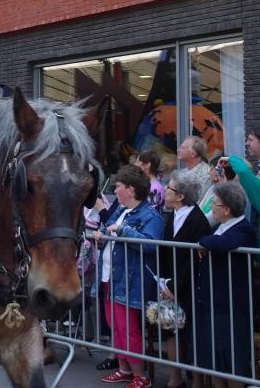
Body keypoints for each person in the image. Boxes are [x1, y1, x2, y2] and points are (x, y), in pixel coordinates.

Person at [92, 165, 164, 388]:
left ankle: (140, 376)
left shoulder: (150, 215)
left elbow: (150, 244)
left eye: (118, 186)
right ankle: (124, 369)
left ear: (131, 189)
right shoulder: (121, 210)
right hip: (110, 277)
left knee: (128, 328)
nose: (115, 190)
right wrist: (102, 236)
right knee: (115, 326)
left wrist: (121, 231)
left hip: (129, 280)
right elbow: (110, 229)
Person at [192, 182, 256, 388]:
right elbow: (208, 238)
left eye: (215, 203)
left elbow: (222, 243)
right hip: (211, 298)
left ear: (227, 209)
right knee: (214, 357)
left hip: (230, 303)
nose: (211, 207)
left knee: (231, 357)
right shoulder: (220, 227)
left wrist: (204, 242)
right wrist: (205, 240)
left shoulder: (244, 228)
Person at [159, 170, 211, 388]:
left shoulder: (197, 220)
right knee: (171, 329)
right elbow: (164, 250)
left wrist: (175, 287)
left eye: (169, 187)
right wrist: (163, 281)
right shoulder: (172, 215)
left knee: (192, 333)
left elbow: (193, 260)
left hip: (190, 287)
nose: (165, 190)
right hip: (169, 283)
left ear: (180, 196)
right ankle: (174, 379)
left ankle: (197, 381)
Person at [176, 136, 212, 202]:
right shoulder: (183, 172)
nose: (178, 150)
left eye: (182, 148)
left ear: (193, 154)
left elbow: (198, 201)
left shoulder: (207, 174)